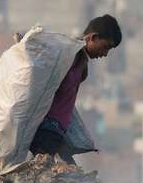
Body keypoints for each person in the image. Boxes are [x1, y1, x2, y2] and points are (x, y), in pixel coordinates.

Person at [28, 14, 121, 164]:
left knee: (65, 172)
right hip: (46, 128)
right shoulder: (66, 55)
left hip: (59, 131)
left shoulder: (82, 63)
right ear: (92, 37)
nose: (105, 54)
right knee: (41, 170)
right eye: (105, 47)